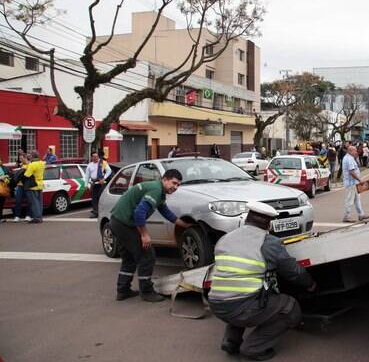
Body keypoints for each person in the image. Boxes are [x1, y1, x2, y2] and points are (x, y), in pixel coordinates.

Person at [209, 201, 316, 361]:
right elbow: (292, 271)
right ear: (269, 223)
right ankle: (253, 348)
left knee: (239, 294)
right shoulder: (268, 242)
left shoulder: (225, 239)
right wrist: (310, 284)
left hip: (216, 304)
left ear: (247, 219)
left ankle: (231, 342)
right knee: (290, 307)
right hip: (241, 307)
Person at [109, 169, 191, 302]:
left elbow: (165, 211)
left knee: (129, 258)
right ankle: (146, 292)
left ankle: (122, 291)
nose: (175, 187)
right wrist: (144, 235)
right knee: (147, 255)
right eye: (173, 183)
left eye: (178, 185)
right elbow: (139, 213)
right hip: (124, 224)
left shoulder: (158, 190)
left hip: (117, 222)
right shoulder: (156, 190)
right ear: (164, 179)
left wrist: (183, 224)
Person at [342, 146, 369, 223]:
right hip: (351, 183)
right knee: (349, 200)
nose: (356, 152)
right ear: (350, 151)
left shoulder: (349, 158)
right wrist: (359, 179)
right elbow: (351, 172)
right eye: (355, 151)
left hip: (354, 183)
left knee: (357, 200)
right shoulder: (349, 159)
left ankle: (361, 214)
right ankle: (346, 216)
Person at [85, 152, 112, 218]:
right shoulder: (89, 165)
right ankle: (95, 212)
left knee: (101, 198)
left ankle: (103, 212)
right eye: (94, 156)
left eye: (97, 156)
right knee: (94, 199)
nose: (96, 158)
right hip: (94, 183)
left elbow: (109, 171)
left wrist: (104, 178)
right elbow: (87, 175)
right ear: (91, 157)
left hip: (101, 183)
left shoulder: (103, 162)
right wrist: (86, 185)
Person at [23, 151, 45, 223]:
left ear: (32, 157)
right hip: (40, 184)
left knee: (34, 203)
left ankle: (36, 218)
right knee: (39, 202)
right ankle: (40, 217)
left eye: (31, 156)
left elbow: (27, 175)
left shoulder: (32, 165)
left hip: (33, 186)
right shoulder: (42, 163)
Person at [12, 153, 29, 222]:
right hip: (20, 185)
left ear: (25, 158)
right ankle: (17, 216)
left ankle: (28, 216)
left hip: (27, 185)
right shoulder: (21, 165)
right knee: (18, 201)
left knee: (29, 201)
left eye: (22, 158)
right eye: (20, 158)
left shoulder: (29, 165)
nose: (20, 160)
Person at [0, 157, 10, 222]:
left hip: (3, 187)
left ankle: (0, 217)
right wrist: (1, 177)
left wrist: (7, 178)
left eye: (0, 160)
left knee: (1, 203)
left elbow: (7, 175)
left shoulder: (3, 168)